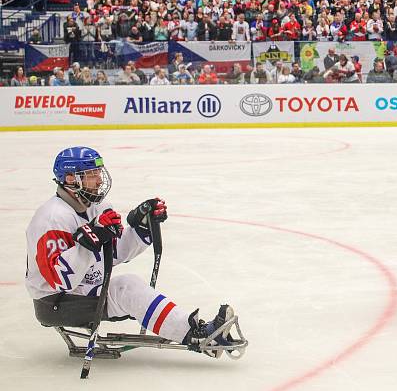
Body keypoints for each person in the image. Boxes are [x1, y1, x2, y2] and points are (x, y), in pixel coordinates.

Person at [26, 147, 246, 358]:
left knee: (129, 286)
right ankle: (198, 337)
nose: (100, 179)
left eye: (98, 173)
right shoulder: (52, 218)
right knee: (127, 288)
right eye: (92, 174)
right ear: (72, 179)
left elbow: (114, 253)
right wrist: (89, 241)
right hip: (55, 302)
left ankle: (197, 331)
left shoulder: (96, 207)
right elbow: (59, 280)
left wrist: (141, 228)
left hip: (83, 289)